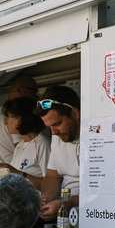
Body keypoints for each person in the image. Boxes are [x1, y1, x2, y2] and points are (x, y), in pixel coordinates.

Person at [37, 85, 81, 220]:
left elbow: (104, 191)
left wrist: (66, 203)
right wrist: (44, 201)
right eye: (49, 127)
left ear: (75, 113)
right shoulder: (57, 137)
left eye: (57, 123)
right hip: (64, 215)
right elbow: (52, 176)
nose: (53, 132)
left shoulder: (98, 136)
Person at [0, 76, 39, 166]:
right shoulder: (17, 116)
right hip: (18, 173)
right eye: (34, 91)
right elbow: (26, 148)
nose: (36, 96)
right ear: (20, 90)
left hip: (0, 172)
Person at [0, 97, 53, 183]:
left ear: (24, 118)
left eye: (10, 117)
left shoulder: (43, 144)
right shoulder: (20, 144)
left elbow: (49, 184)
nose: (5, 122)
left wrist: (18, 173)